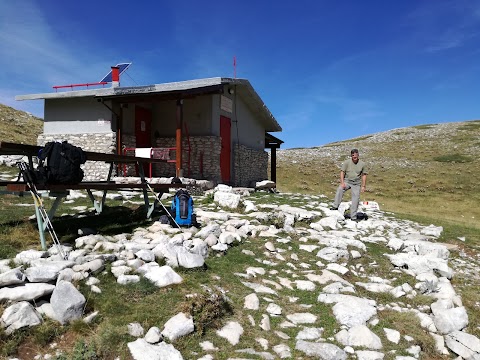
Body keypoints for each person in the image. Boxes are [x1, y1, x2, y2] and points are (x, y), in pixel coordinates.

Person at [330, 148, 368, 221]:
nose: (354, 158)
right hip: (347, 181)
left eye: (356, 156)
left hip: (356, 183)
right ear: (351, 156)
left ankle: (353, 217)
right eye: (353, 156)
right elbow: (342, 172)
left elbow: (364, 175)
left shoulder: (362, 164)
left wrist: (363, 186)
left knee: (356, 199)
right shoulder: (347, 162)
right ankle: (335, 206)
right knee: (340, 189)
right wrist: (342, 182)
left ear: (358, 156)